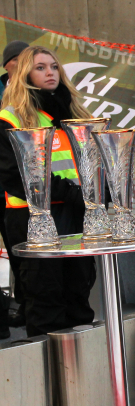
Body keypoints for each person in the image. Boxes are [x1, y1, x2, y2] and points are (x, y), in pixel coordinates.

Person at [0, 46, 96, 336]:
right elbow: (12, 174)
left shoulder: (75, 113)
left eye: (54, 66)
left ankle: (85, 371)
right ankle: (54, 376)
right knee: (45, 300)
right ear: (24, 73)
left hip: (76, 214)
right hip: (32, 218)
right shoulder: (11, 117)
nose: (50, 72)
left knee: (78, 296)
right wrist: (68, 192)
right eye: (40, 67)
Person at [0, 39, 28, 334]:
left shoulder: (37, 94)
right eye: (19, 59)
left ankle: (22, 307)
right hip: (8, 186)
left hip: (17, 195)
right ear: (8, 64)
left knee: (20, 255)